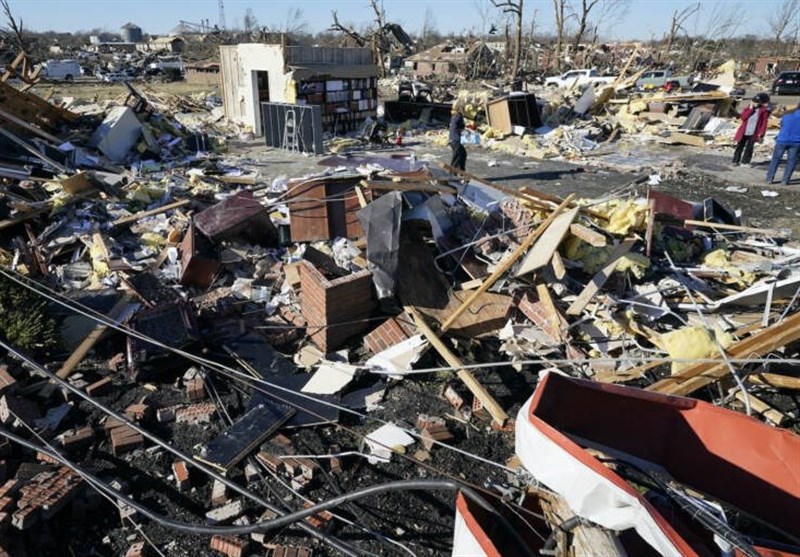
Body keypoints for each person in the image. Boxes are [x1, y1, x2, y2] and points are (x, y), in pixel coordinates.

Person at [766, 102, 800, 185]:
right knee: (791, 162)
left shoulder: (787, 115)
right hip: (796, 142)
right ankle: (785, 180)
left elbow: (781, 124)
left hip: (782, 140)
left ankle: (769, 179)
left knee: (775, 160)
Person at [732, 93, 771, 166]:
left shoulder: (763, 110)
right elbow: (743, 118)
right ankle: (735, 161)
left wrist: (762, 133)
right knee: (739, 146)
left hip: (754, 132)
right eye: (754, 101)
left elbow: (764, 122)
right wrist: (750, 109)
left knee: (749, 148)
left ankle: (745, 161)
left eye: (757, 102)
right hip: (744, 131)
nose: (755, 103)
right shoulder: (748, 109)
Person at [449, 105, 467, 171]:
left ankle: (461, 171)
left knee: (462, 153)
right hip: (455, 140)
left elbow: (457, 126)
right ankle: (452, 173)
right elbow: (461, 126)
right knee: (457, 157)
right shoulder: (458, 116)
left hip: (452, 140)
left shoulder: (454, 116)